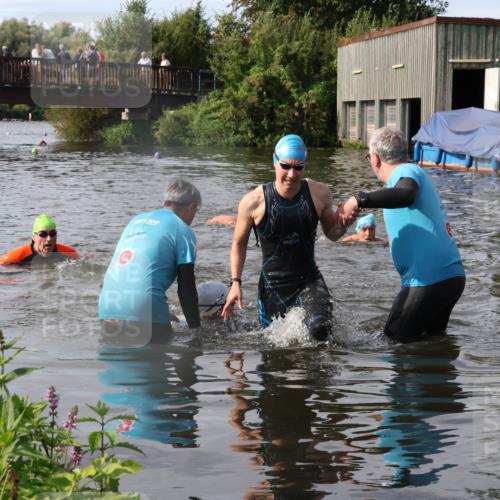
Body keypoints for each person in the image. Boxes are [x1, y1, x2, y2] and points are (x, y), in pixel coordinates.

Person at [221, 134, 356, 341]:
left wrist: (345, 224)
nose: (292, 174)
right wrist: (235, 283)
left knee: (320, 330)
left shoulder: (319, 193)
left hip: (309, 280)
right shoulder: (253, 201)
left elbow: (332, 234)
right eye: (285, 166)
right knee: (273, 347)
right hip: (273, 287)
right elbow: (239, 244)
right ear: (275, 163)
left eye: (299, 167)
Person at [342, 127, 466, 343]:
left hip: (428, 279)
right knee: (432, 344)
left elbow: (405, 194)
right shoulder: (407, 176)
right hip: (449, 277)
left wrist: (359, 199)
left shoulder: (405, 172)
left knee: (391, 343)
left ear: (375, 158)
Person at [98, 179, 202, 344]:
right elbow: (186, 288)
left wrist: (156, 311)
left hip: (108, 308)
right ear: (191, 207)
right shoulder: (182, 229)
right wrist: (196, 331)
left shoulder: (135, 221)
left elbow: (119, 271)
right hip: (146, 312)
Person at [0, 214, 80, 265]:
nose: (49, 239)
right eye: (43, 234)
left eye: (52, 234)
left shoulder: (70, 253)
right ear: (34, 237)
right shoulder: (16, 257)